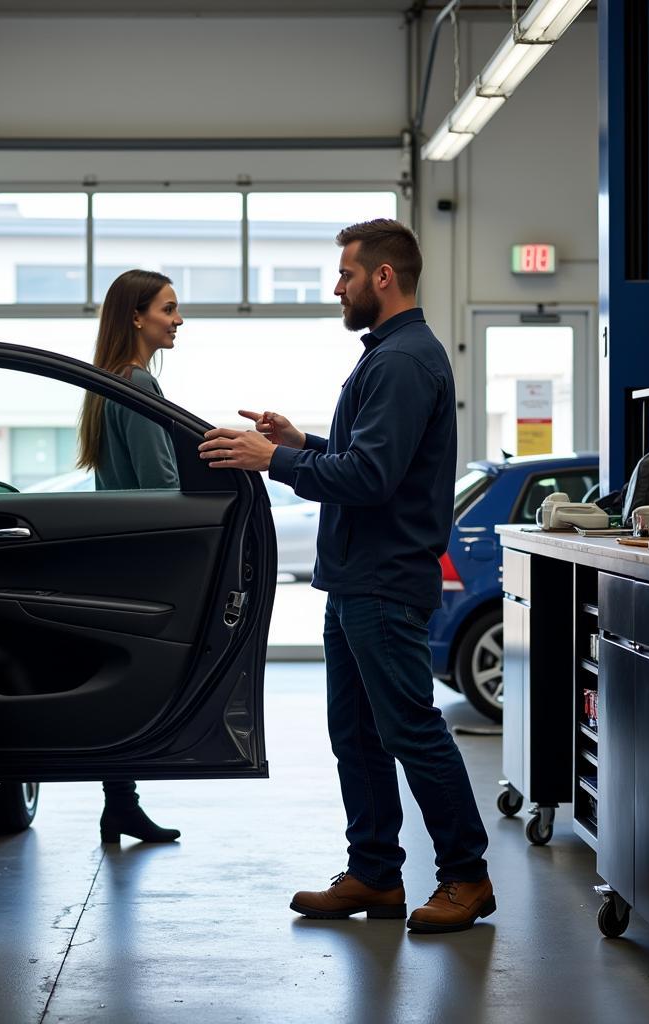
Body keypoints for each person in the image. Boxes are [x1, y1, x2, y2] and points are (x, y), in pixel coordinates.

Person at [198, 219, 494, 933]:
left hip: (383, 583)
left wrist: (274, 461)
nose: (338, 287)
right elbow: (370, 459)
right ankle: (375, 874)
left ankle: (467, 877)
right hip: (357, 581)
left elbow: (369, 477)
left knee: (410, 730)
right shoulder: (393, 356)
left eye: (346, 274)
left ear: (382, 277)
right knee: (357, 734)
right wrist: (304, 443)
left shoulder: (399, 361)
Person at [77, 268, 183, 843]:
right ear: (137, 316)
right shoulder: (137, 384)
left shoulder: (106, 381)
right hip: (145, 558)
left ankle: (120, 803)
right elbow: (160, 485)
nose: (178, 319)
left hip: (118, 555)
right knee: (137, 688)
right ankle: (122, 803)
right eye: (168, 309)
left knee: (118, 686)